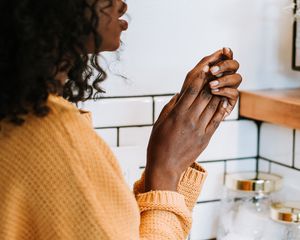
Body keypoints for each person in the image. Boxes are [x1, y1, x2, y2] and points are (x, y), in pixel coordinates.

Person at [0, 0, 242, 239]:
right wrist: (167, 170)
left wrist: (168, 168)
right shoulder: (50, 132)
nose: (122, 3)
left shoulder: (17, 113)